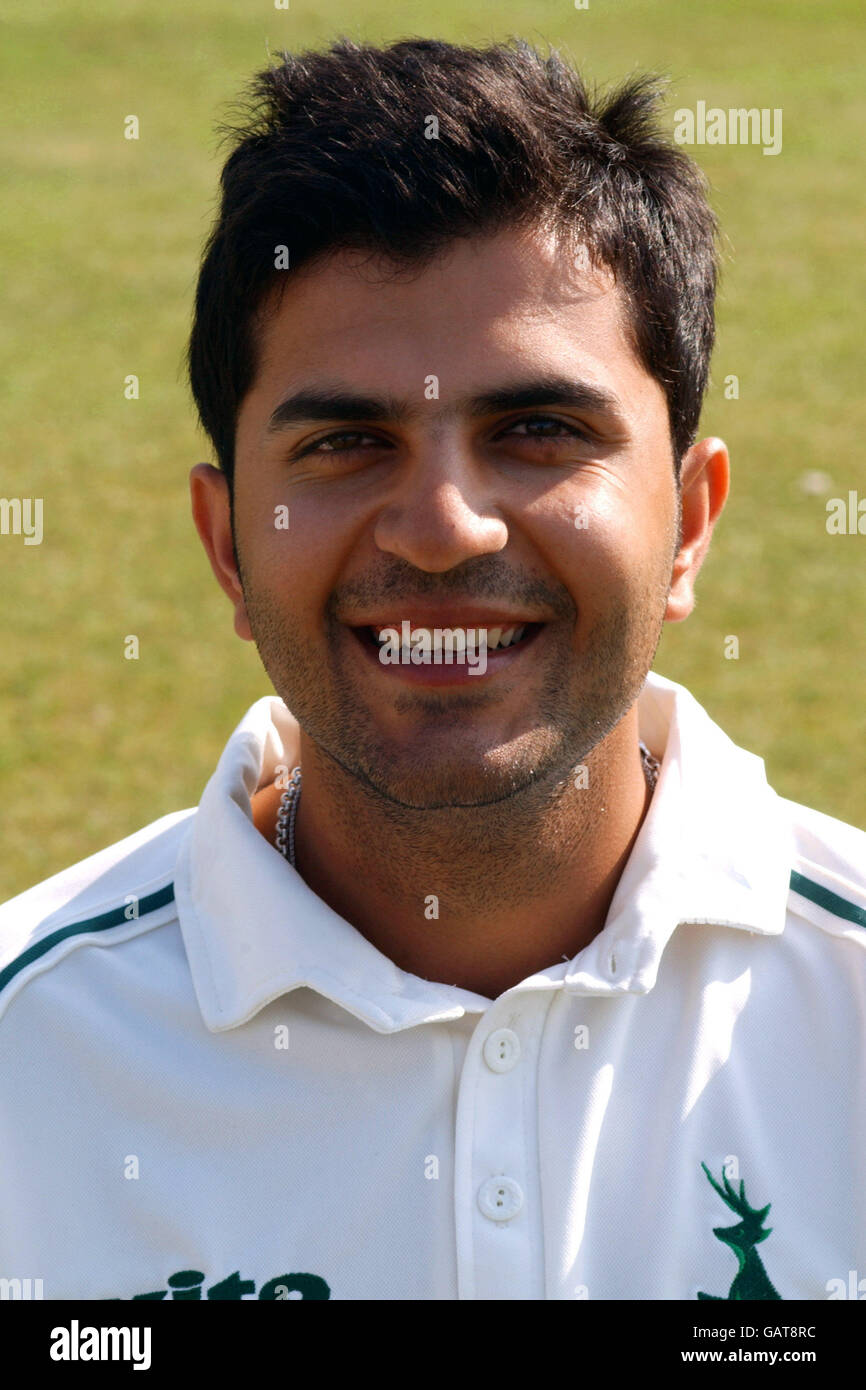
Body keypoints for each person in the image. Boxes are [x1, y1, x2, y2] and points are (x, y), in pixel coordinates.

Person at [1, 37, 864, 1303]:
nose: (444, 525)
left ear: (687, 521)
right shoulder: (30, 1052)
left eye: (535, 430)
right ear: (227, 543)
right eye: (348, 441)